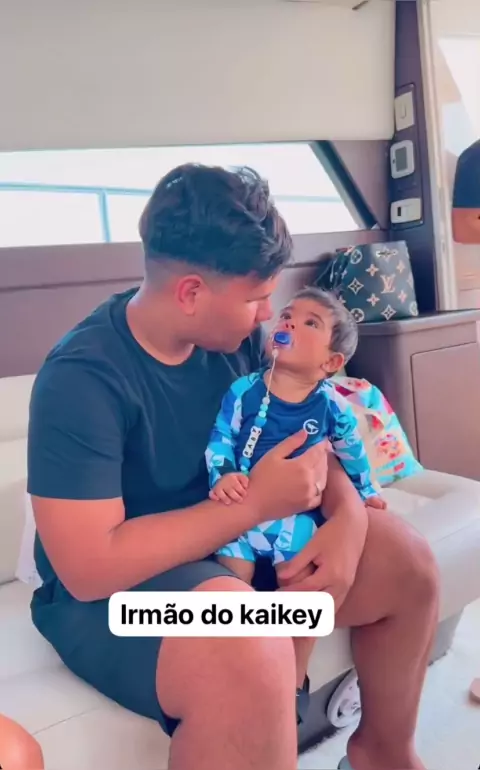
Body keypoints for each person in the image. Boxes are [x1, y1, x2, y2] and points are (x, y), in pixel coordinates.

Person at [27, 163, 439, 770]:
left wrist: (349, 519)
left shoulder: (241, 342)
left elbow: (305, 445)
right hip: (116, 598)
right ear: (191, 293)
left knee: (408, 560)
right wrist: (256, 506)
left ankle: (382, 754)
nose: (268, 313)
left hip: (233, 547)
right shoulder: (82, 378)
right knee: (248, 642)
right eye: (254, 297)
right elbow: (88, 569)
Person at [205, 286, 386, 711]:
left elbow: (351, 451)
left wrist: (366, 492)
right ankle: (243, 662)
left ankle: (292, 678)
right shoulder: (244, 391)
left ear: (331, 363)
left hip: (294, 521)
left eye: (310, 323)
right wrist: (223, 474)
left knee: (306, 584)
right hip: (239, 515)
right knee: (232, 581)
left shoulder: (330, 406)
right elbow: (221, 437)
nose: (288, 322)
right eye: (287, 315)